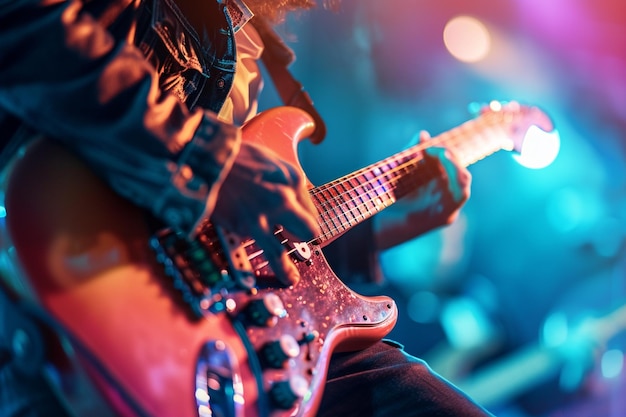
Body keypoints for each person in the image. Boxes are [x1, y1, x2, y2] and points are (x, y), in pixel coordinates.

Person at [0, 0, 491, 416]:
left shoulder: (253, 44)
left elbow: (234, 254)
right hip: (42, 288)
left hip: (209, 335)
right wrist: (204, 155)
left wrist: (386, 227)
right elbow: (23, 27)